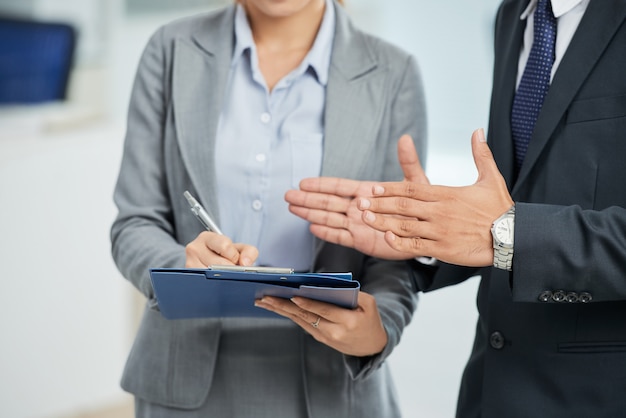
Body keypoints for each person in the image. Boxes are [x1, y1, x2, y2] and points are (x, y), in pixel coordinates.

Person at [284, 0, 626, 417]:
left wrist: (508, 235)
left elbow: (508, 228)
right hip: (491, 391)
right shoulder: (515, 15)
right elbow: (512, 200)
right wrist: (421, 228)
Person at [110, 0, 427, 416]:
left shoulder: (393, 72)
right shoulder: (171, 50)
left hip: (332, 385)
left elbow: (396, 249)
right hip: (182, 379)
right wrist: (179, 265)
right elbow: (135, 222)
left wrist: (381, 324)